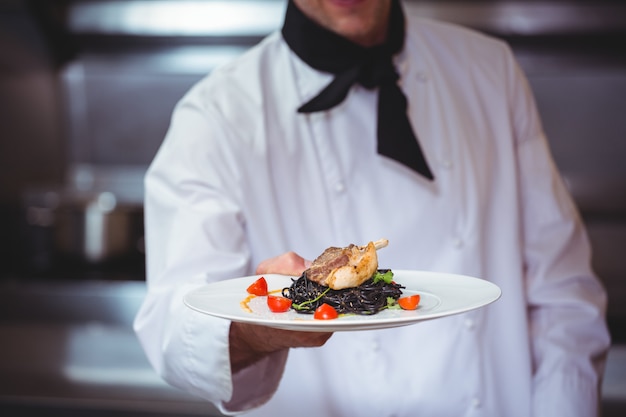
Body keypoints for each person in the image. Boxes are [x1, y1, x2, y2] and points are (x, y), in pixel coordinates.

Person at [134, 0, 611, 416]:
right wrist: (262, 329)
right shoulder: (217, 113)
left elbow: (564, 300)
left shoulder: (490, 71)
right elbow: (172, 331)